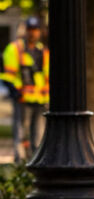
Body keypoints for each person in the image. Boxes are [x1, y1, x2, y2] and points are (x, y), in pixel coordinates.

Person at [1, 16, 49, 163]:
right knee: (21, 131)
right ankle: (20, 161)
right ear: (25, 31)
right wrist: (15, 92)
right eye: (30, 30)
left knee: (39, 134)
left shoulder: (43, 52)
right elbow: (7, 75)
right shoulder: (14, 49)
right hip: (22, 99)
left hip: (40, 100)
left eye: (35, 30)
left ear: (39, 32)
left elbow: (47, 76)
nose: (32, 33)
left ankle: (36, 161)